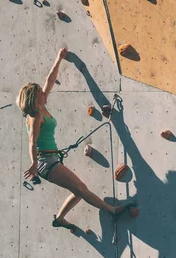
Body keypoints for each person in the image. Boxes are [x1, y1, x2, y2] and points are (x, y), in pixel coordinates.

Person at [16, 47, 133, 227]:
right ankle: (112, 211)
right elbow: (32, 140)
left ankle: (59, 219)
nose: (43, 92)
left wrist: (59, 58)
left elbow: (50, 79)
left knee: (78, 191)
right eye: (40, 91)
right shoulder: (35, 116)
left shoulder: (41, 105)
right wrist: (33, 163)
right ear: (35, 97)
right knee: (81, 188)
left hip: (52, 157)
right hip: (45, 162)